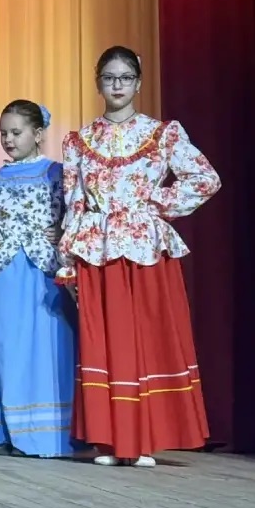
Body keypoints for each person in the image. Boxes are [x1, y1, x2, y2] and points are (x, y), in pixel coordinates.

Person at [60, 45, 220, 467]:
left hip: (145, 248)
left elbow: (205, 179)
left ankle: (143, 440)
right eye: (109, 77)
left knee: (145, 338)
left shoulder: (161, 133)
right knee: (105, 344)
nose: (117, 85)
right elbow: (74, 201)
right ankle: (112, 442)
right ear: (98, 83)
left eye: (125, 78)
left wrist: (154, 203)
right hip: (97, 249)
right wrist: (67, 257)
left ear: (139, 83)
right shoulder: (80, 141)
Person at [0, 100, 76, 458]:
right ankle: (9, 433)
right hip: (5, 275)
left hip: (45, 273)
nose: (8, 140)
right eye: (4, 133)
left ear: (38, 133)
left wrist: (62, 231)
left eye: (16, 132)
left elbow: (78, 216)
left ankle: (51, 435)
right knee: (8, 351)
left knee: (48, 351)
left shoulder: (58, 174)